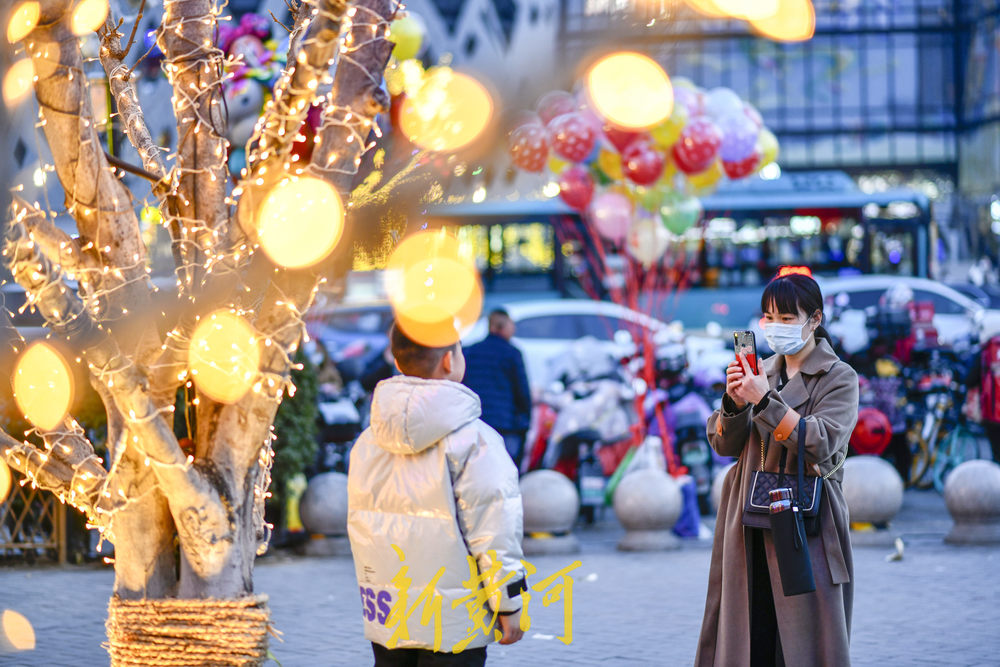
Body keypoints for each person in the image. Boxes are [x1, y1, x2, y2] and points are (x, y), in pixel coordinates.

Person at [696, 272, 859, 667]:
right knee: (748, 628)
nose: (775, 327)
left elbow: (819, 443)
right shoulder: (760, 370)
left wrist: (765, 401)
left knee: (804, 633)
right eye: (769, 317)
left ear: (814, 320)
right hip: (747, 515)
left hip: (805, 517)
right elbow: (724, 445)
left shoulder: (839, 377)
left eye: (787, 318)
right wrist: (734, 404)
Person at [347, 322, 527, 666]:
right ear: (449, 360)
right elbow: (495, 531)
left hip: (389, 612)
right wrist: (509, 603)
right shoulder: (477, 441)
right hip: (455, 619)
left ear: (398, 361)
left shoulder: (368, 441)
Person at [462, 310, 532, 470]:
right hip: (505, 425)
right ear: (502, 327)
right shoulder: (512, 353)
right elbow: (522, 392)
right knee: (503, 470)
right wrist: (525, 421)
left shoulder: (470, 351)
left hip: (475, 422)